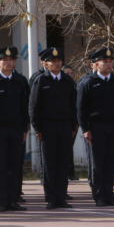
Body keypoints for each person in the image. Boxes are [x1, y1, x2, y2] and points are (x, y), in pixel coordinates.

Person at [77, 48, 114, 206]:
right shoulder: (88, 82)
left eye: (110, 62)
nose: (108, 64)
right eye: (105, 62)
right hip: (96, 126)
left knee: (111, 162)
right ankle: (99, 195)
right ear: (96, 64)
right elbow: (81, 108)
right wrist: (85, 128)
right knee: (98, 162)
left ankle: (109, 193)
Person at [29, 48, 77, 209]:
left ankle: (61, 197)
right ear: (46, 64)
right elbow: (34, 106)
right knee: (49, 164)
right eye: (53, 61)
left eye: (59, 61)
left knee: (63, 163)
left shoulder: (68, 80)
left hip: (64, 126)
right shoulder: (41, 80)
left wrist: (73, 126)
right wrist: (37, 128)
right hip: (47, 126)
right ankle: (51, 197)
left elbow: (73, 105)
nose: (57, 64)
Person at [0, 47, 29, 212]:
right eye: (5, 60)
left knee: (15, 166)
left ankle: (13, 199)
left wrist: (25, 128)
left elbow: (25, 107)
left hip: (16, 129)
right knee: (1, 167)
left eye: (11, 59)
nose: (9, 62)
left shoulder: (20, 81)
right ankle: (2, 200)